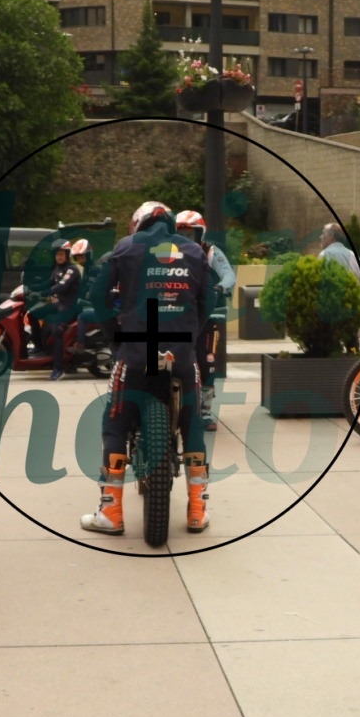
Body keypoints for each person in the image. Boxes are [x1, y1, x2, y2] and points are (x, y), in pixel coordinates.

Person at [80, 200, 213, 535]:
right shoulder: (194, 251)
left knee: (115, 423)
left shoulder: (125, 248)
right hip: (181, 355)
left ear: (138, 223)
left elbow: (97, 296)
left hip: (136, 352)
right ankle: (198, 509)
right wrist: (190, 336)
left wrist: (115, 336)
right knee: (193, 424)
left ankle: (110, 512)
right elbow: (208, 302)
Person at [175, 210, 236, 430]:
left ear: (200, 233)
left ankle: (205, 411)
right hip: (177, 315)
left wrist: (220, 287)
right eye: (181, 234)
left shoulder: (210, 251)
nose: (185, 239)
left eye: (190, 234)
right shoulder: (166, 252)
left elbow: (229, 274)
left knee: (207, 361)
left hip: (206, 317)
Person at [40, 238, 83, 381]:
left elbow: (61, 286)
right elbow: (49, 283)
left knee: (57, 330)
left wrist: (45, 292)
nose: (58, 257)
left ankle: (58, 368)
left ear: (67, 255)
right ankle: (40, 346)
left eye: (61, 254)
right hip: (60, 303)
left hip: (70, 305)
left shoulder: (71, 269)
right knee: (34, 313)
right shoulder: (57, 269)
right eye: (56, 254)